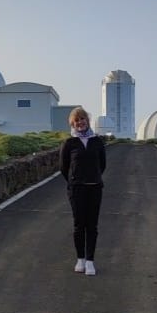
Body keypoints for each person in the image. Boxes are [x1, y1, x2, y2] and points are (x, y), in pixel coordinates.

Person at [59, 107, 106, 276]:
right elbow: (64, 168)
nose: (80, 123)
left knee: (92, 225)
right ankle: (80, 259)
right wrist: (74, 181)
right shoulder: (69, 143)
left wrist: (93, 177)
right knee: (79, 225)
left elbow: (102, 165)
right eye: (76, 120)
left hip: (94, 188)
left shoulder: (97, 141)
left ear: (87, 120)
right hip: (77, 189)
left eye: (82, 119)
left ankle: (90, 261)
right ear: (72, 123)